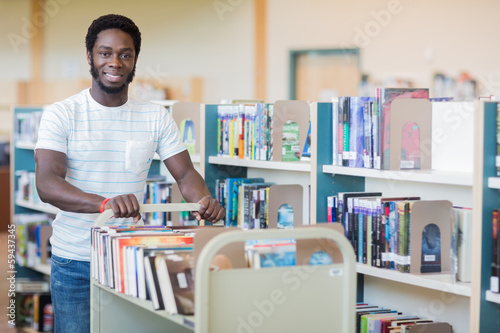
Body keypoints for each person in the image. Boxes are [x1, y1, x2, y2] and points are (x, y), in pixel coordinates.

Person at [34, 14, 225, 333]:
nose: (115, 62)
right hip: (75, 261)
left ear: (135, 59)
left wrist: (202, 201)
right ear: (90, 58)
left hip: (132, 256)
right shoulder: (61, 113)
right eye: (105, 53)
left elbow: (185, 174)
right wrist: (104, 203)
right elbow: (47, 184)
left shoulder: (155, 116)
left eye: (125, 54)